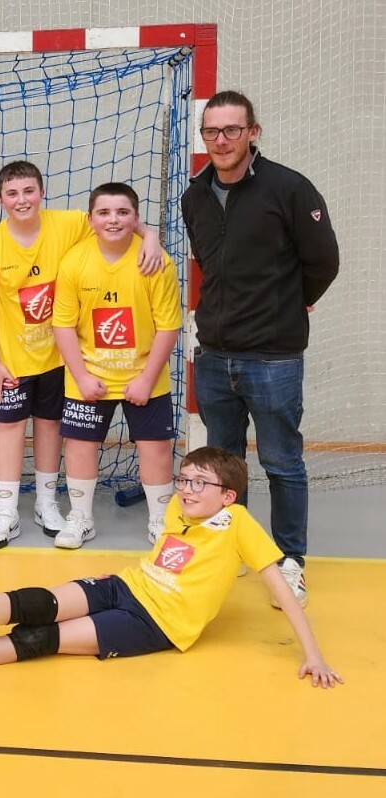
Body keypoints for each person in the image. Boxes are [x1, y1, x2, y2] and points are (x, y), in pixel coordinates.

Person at [0, 447, 342, 690]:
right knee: (40, 602)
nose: (186, 489)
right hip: (126, 585)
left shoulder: (238, 522)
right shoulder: (178, 509)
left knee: (42, 638)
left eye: (200, 483)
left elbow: (279, 585)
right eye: (184, 479)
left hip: (156, 624)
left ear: (228, 495)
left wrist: (313, 654)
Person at [182, 91, 340, 608]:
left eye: (232, 129)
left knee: (281, 462)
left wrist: (293, 303)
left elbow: (324, 261)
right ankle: (231, 549)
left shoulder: (289, 188)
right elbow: (210, 263)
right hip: (214, 355)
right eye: (212, 131)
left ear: (253, 132)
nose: (221, 140)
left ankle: (290, 562)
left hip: (274, 357)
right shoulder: (194, 195)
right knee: (224, 465)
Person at [0, 162, 165, 549]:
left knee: (49, 425)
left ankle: (46, 503)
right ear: (0, 199)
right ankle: (6, 512)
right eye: (12, 193)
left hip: (61, 358)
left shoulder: (69, 224)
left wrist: (150, 235)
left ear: (42, 193)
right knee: (9, 427)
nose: (22, 200)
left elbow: (114, 221)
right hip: (13, 357)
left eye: (29, 191)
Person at [51, 183, 180, 549]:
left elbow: (169, 326)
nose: (113, 220)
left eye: (123, 212)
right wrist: (81, 376)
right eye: (104, 212)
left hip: (145, 376)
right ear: (90, 219)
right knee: (79, 445)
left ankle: (160, 520)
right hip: (89, 375)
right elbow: (63, 325)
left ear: (135, 218)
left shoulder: (156, 262)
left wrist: (147, 379)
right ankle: (81, 517)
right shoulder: (74, 262)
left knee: (155, 448)